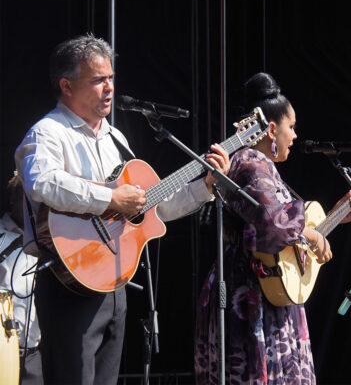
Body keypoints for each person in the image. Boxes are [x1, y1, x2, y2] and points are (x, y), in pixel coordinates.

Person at [14, 34, 230, 385]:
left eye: (111, 78)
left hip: (113, 285)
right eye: (98, 80)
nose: (109, 88)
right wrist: (110, 199)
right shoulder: (47, 133)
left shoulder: (116, 138)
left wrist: (204, 186)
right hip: (69, 284)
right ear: (66, 86)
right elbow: (42, 183)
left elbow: (148, 206)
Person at [194, 72, 351, 384]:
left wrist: (334, 219)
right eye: (292, 126)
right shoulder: (250, 163)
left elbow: (281, 235)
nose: (295, 135)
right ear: (272, 129)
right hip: (248, 290)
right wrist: (311, 233)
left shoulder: (262, 167)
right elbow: (272, 225)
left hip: (263, 288)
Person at [0, 173, 43, 384]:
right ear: (13, 197)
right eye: (24, 196)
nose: (30, 205)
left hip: (34, 355)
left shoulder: (48, 242)